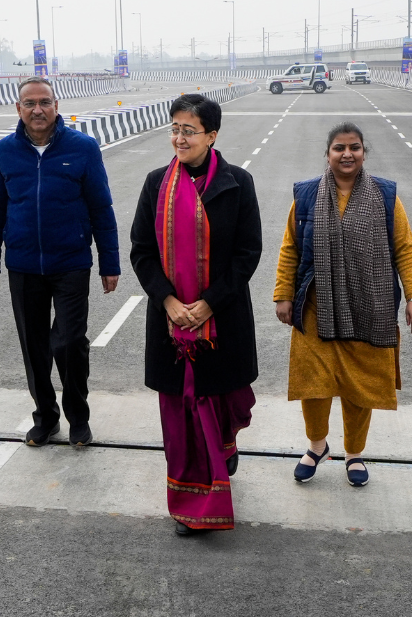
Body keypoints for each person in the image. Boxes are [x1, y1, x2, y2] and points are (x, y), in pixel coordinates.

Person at [129, 94, 262, 536]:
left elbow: (247, 254)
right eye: (175, 129)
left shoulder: (237, 184)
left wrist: (207, 303)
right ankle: (192, 505)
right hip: (171, 326)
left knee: (225, 401)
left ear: (212, 135)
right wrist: (169, 302)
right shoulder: (155, 184)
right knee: (182, 413)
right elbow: (142, 252)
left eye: (189, 130)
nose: (179, 138)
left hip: (221, 320)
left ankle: (225, 449)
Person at [274, 123, 412, 488]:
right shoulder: (308, 195)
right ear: (328, 154)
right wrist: (283, 293)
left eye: (354, 147)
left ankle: (354, 453)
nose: (347, 154)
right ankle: (316, 446)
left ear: (363, 153)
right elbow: (291, 246)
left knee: (360, 386)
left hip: (369, 308)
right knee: (314, 384)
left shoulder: (386, 196)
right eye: (339, 147)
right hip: (315, 306)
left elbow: (404, 248)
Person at [0, 76, 120, 448]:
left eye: (44, 102)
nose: (38, 110)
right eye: (30, 103)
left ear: (57, 106)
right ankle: (45, 417)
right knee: (34, 345)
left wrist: (110, 263)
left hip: (71, 262)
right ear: (19, 108)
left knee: (70, 342)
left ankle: (79, 417)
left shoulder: (83, 148)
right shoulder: (5, 151)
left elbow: (100, 208)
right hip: (23, 265)